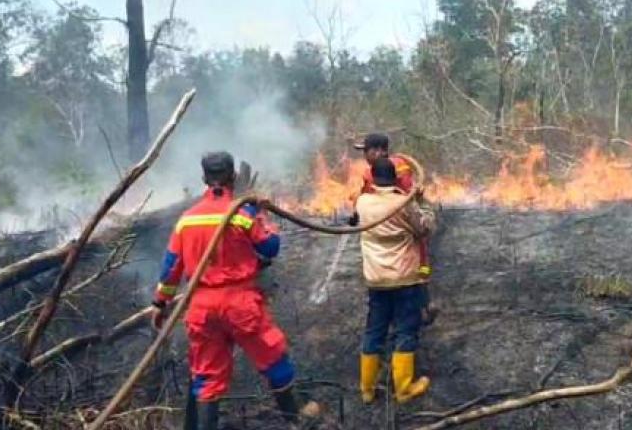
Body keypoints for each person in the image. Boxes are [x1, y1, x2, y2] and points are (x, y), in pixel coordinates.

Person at [151, 151, 320, 430]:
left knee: (207, 376)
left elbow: (171, 269)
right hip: (240, 303)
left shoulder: (187, 220)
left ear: (204, 178)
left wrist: (160, 303)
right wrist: (262, 215)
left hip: (202, 308)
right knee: (272, 356)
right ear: (232, 177)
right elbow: (271, 247)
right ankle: (295, 420)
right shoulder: (243, 213)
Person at [355, 157, 436, 405]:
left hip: (376, 279)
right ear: (394, 179)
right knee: (406, 329)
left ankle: (367, 389)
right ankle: (403, 389)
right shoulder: (403, 203)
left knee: (375, 329)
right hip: (404, 279)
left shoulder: (362, 202)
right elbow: (425, 228)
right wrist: (422, 201)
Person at [348, 133, 439, 325]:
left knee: (418, 266)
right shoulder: (373, 169)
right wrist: (357, 214)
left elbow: (407, 194)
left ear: (379, 150)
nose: (364, 155)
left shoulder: (398, 167)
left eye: (367, 151)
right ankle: (409, 309)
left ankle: (423, 306)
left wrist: (416, 213)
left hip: (403, 223)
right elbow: (366, 192)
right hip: (383, 220)